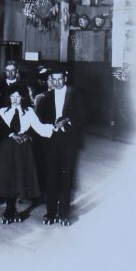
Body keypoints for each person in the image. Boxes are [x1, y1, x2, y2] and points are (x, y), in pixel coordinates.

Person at [0, 85, 54, 223]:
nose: (15, 99)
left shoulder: (29, 112)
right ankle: (9, 208)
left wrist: (54, 127)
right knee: (8, 177)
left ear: (23, 97)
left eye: (18, 96)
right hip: (7, 148)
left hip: (23, 148)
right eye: (12, 96)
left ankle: (13, 209)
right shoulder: (2, 112)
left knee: (19, 177)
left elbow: (40, 128)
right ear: (8, 97)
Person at [35, 68, 83, 226]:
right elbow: (39, 120)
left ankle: (64, 214)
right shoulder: (45, 97)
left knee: (66, 178)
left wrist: (67, 121)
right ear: (50, 79)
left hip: (68, 141)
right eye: (53, 79)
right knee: (51, 177)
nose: (56, 82)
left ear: (65, 78)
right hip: (51, 142)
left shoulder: (75, 95)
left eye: (59, 79)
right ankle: (50, 213)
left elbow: (84, 115)